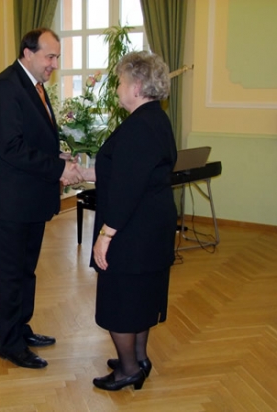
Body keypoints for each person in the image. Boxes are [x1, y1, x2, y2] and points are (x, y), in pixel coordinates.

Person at [0, 28, 82, 369]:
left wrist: (58, 157)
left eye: (56, 57)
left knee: (25, 271)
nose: (54, 64)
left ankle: (21, 329)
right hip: (7, 203)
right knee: (9, 276)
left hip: (29, 200)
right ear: (27, 53)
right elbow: (11, 148)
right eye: (50, 56)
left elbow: (33, 139)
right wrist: (58, 169)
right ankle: (10, 344)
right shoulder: (5, 88)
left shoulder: (33, 85)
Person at [79, 51, 177, 391]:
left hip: (132, 230)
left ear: (136, 86)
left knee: (120, 300)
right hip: (152, 226)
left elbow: (126, 188)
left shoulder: (138, 127)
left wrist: (106, 235)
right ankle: (138, 357)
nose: (117, 88)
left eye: (120, 82)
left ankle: (128, 370)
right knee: (141, 295)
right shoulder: (156, 119)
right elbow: (127, 170)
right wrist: (84, 172)